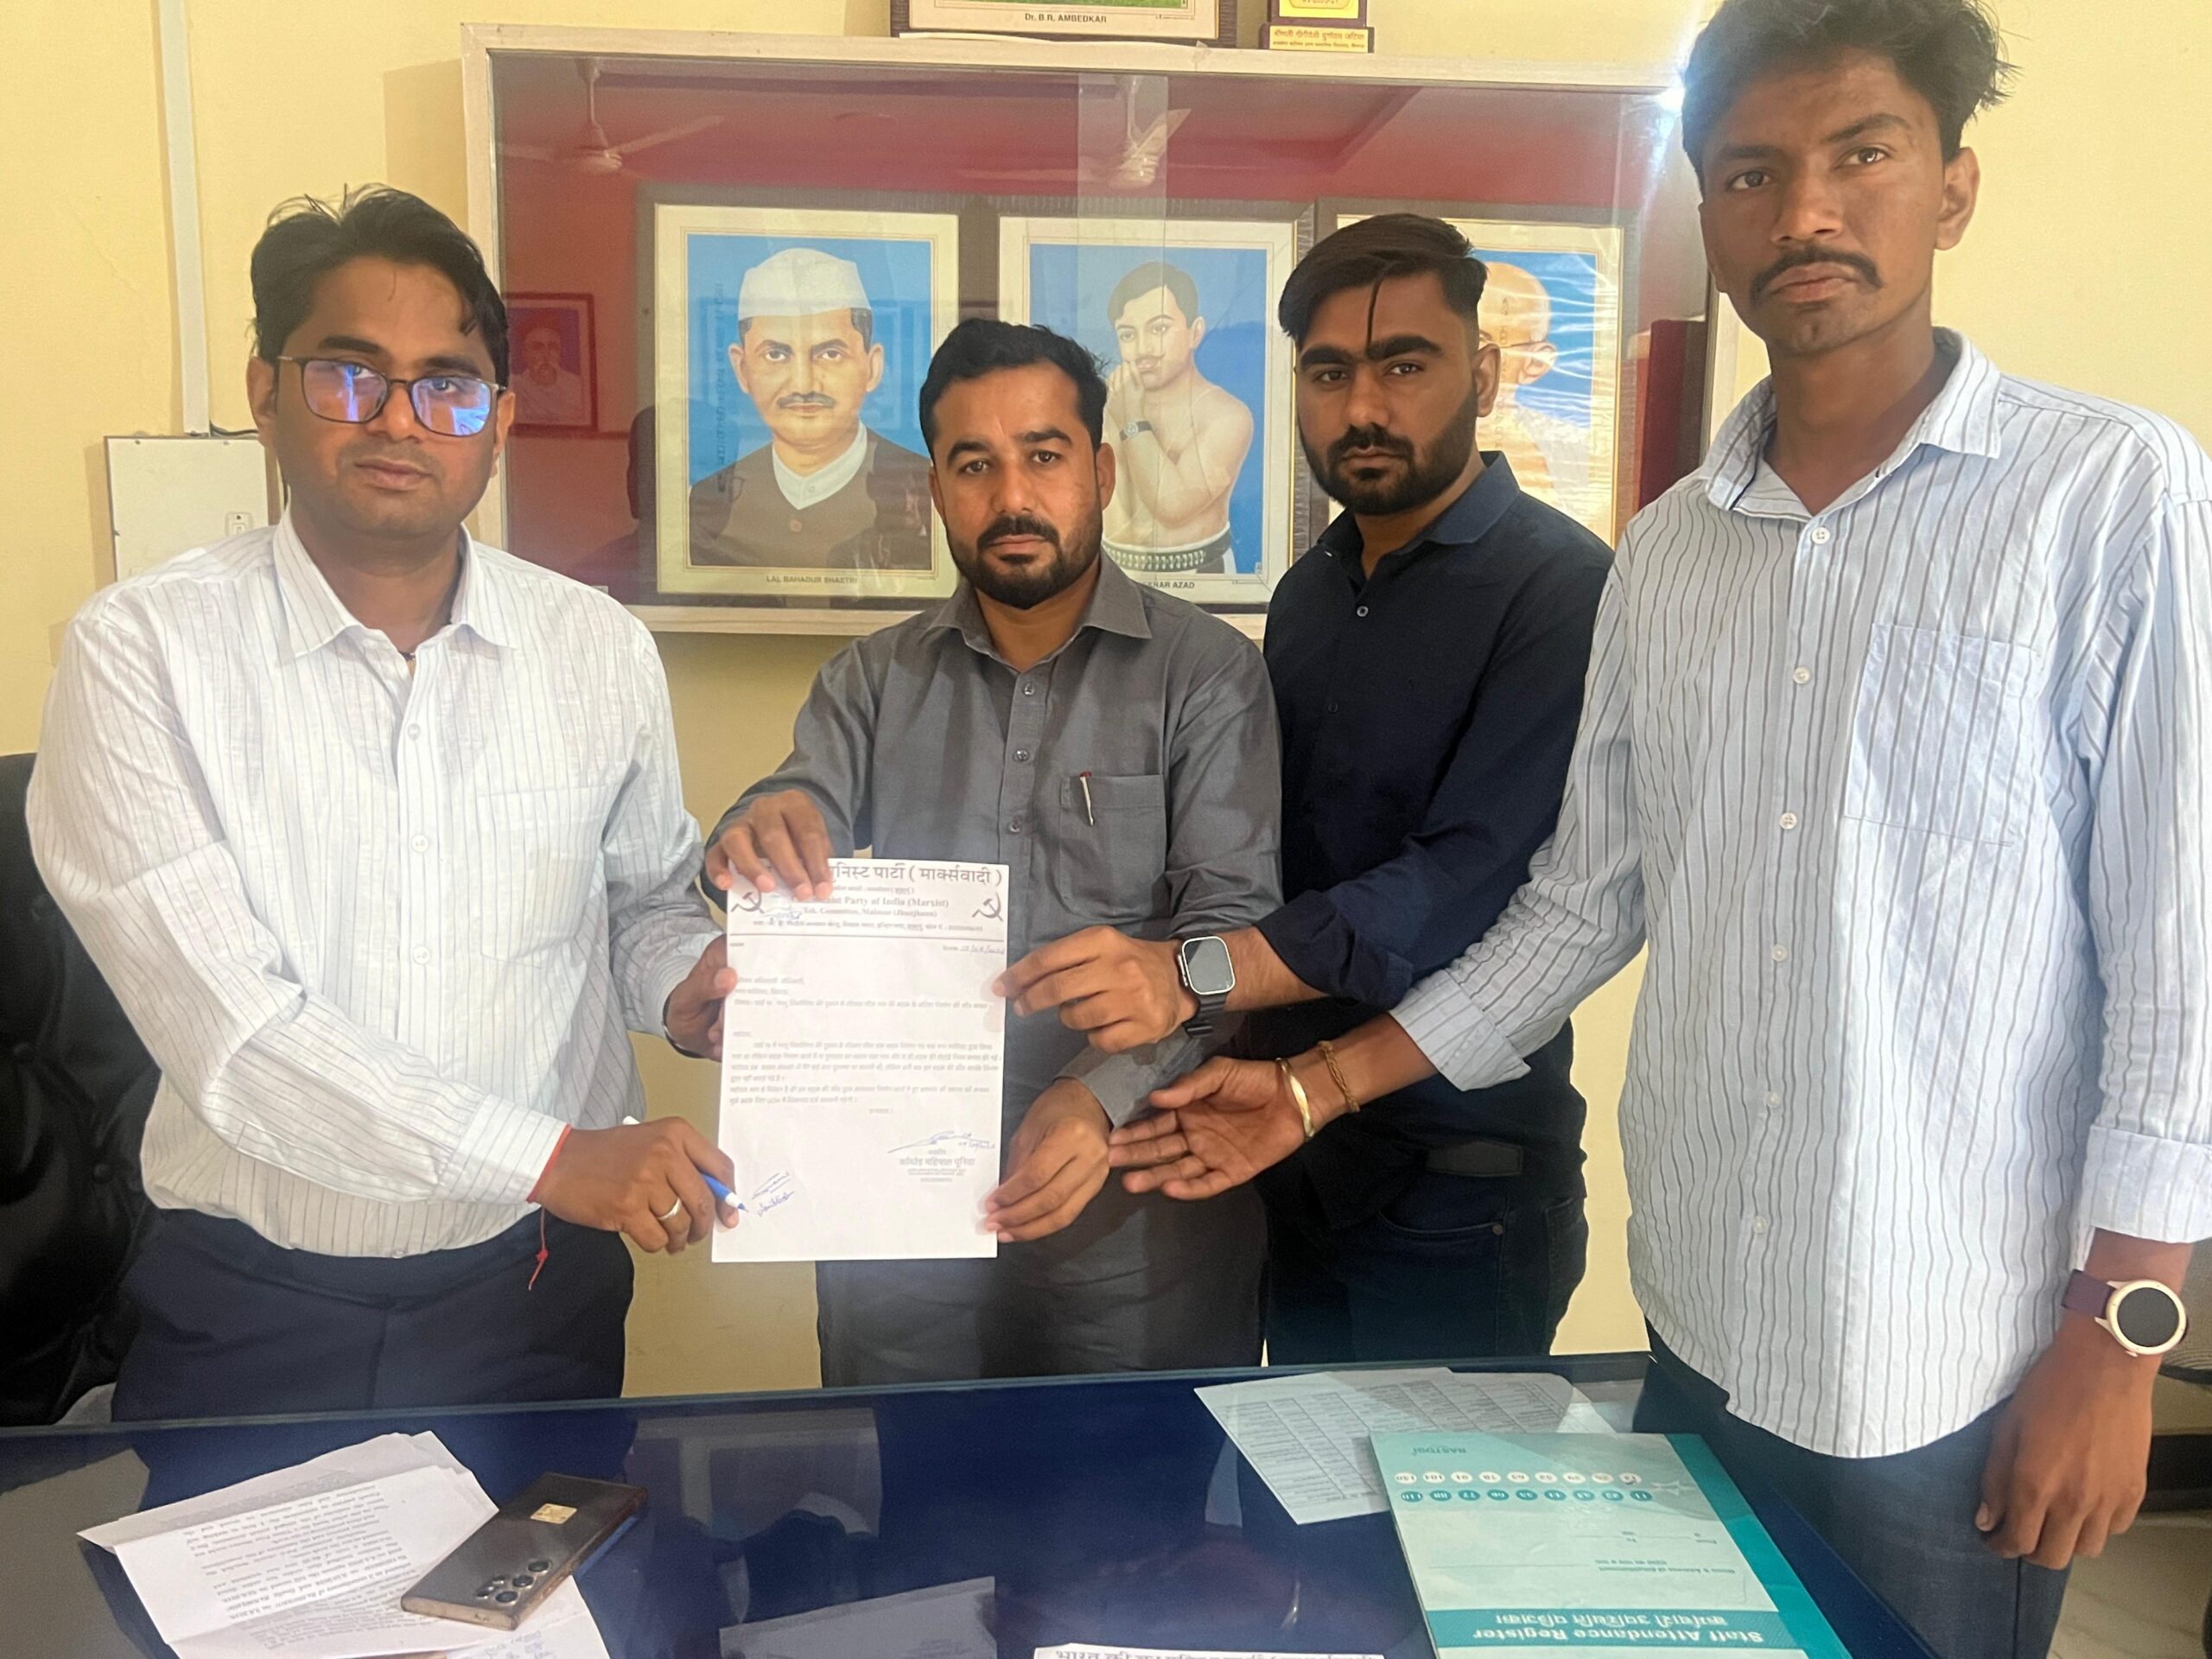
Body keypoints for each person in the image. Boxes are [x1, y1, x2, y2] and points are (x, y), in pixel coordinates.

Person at [1109, 4, 2208, 1656]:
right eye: (1754, 174)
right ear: (1710, 214)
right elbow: (1577, 909)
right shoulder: (1672, 553)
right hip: (1701, 1324)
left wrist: (2120, 1340)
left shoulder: (2112, 500)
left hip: (1951, 1358)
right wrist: (1311, 1089)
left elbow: (2182, 963)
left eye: (1861, 155)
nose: (1806, 211)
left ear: (1954, 189)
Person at [28, 186, 741, 1421]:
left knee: (549, 1555)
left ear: (499, 420)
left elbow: (634, 908)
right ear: (266, 392)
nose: (398, 418)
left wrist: (692, 985)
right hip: (255, 1306)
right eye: (348, 375)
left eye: (446, 385)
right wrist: (553, 1157)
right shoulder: (141, 654)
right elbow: (238, 1038)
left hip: (532, 1292)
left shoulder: (596, 650)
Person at [1001, 215, 1612, 1364]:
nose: (1363, 406)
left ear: (1482, 375)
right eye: (1329, 374)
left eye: (1405, 366)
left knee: (1432, 1486)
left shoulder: (1562, 590)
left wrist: (1185, 974)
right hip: (1277, 1140)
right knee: (1294, 1469)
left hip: (1455, 1178)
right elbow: (1261, 858)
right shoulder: (1313, 590)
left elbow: (1460, 887)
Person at [705, 319, 1281, 1386]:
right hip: (898, 1199)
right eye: (974, 465)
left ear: (1101, 472)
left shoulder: (1206, 676)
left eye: (1043, 456)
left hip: (1137, 1198)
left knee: (1129, 1488)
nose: (1011, 496)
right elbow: (795, 806)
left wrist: (1094, 1095)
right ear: (936, 488)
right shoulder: (871, 680)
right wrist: (757, 832)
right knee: (919, 1485)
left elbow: (1230, 937)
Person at [689, 247, 933, 572]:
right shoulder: (711, 497)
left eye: (830, 354)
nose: (803, 385)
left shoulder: (927, 487)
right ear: (742, 369)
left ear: (872, 367)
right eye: (776, 355)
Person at [1099, 262, 1255, 578]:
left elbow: (1171, 507)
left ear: (1195, 332)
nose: (1142, 348)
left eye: (1158, 329)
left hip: (1199, 574)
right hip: (1109, 571)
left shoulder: (1228, 415)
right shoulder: (1101, 406)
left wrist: (1132, 419)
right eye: (1127, 334)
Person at [512, 316, 588, 426]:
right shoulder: (515, 387)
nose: (546, 356)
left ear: (560, 352)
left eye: (552, 347)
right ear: (525, 354)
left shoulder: (577, 387)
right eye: (538, 348)